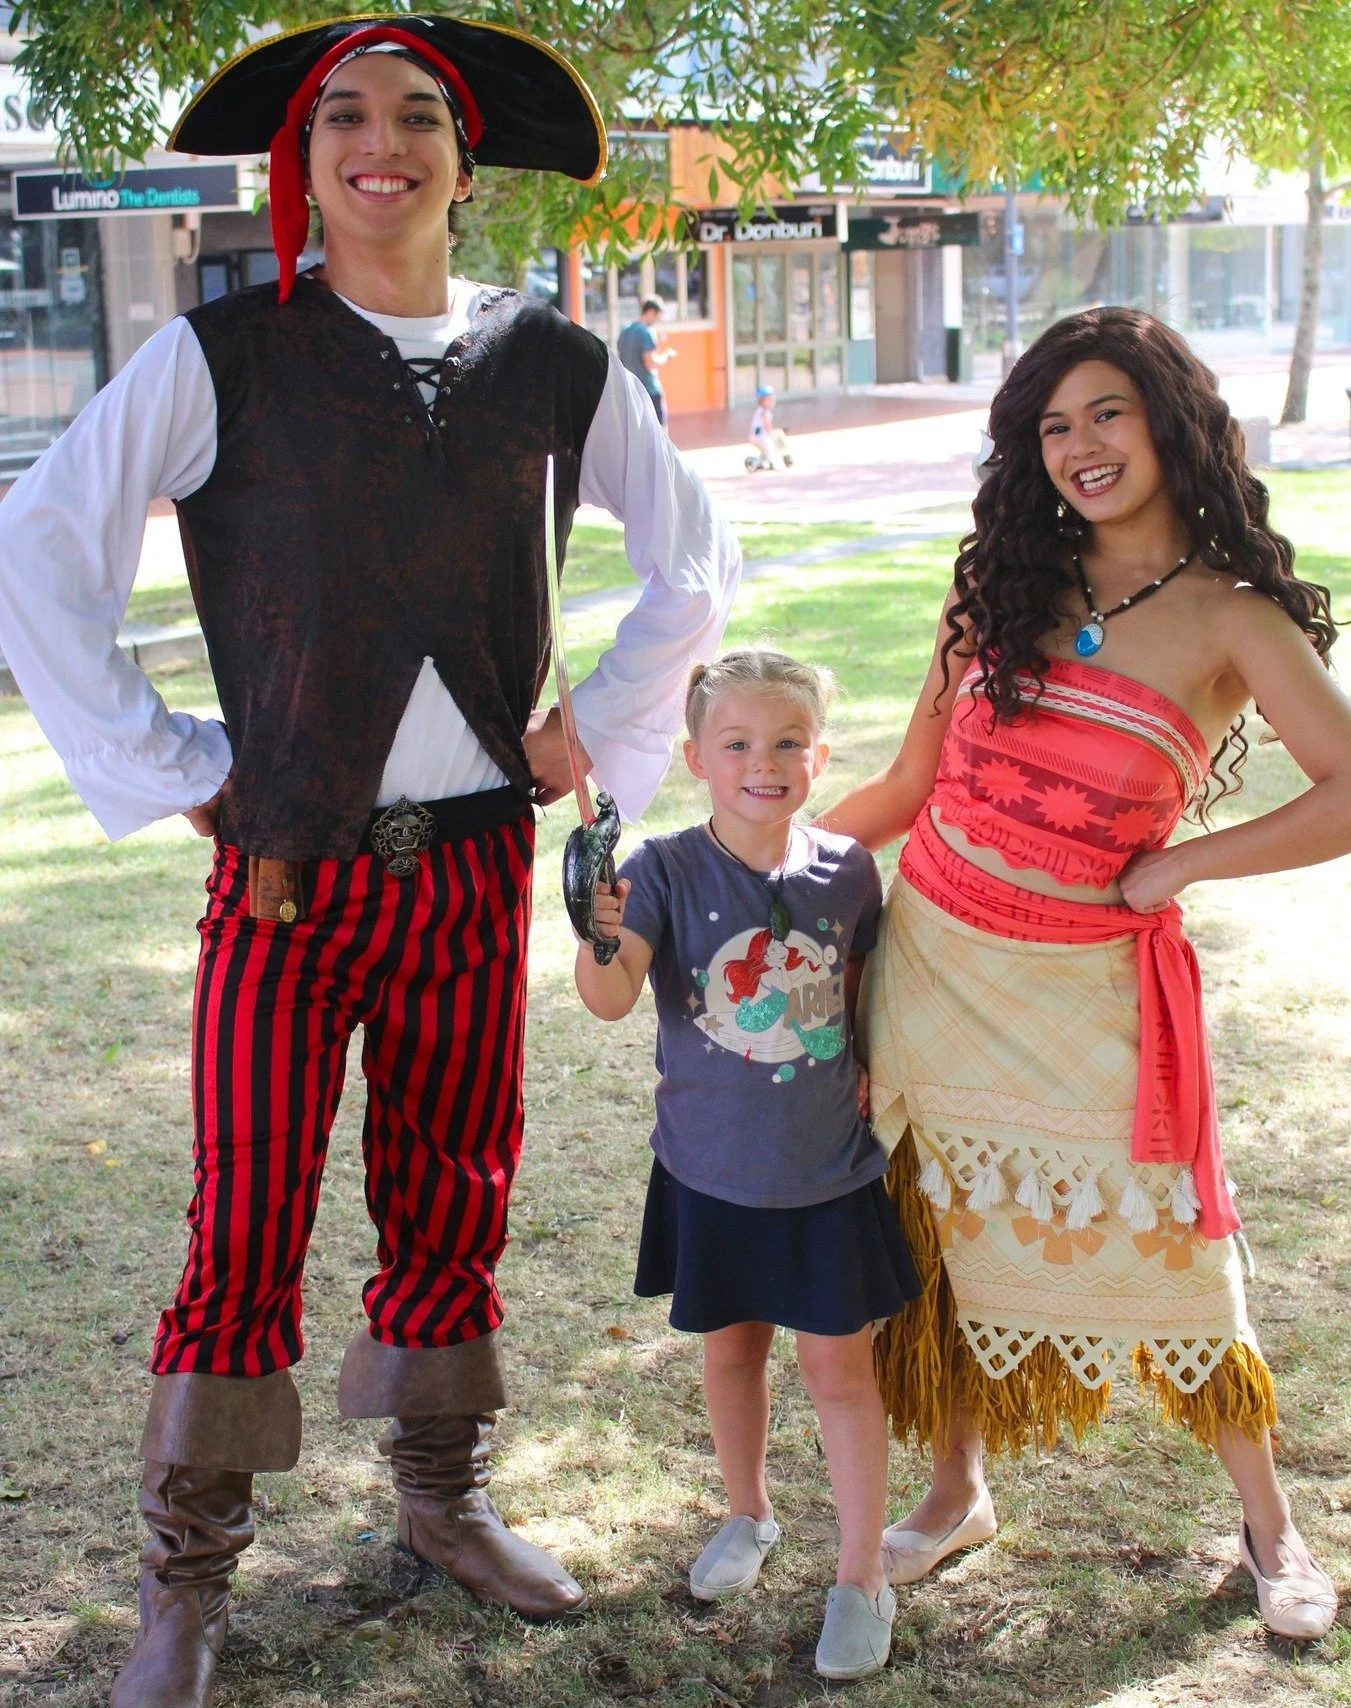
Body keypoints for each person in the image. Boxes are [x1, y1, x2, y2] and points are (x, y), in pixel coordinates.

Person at [0, 17, 740, 1707]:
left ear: (463, 168)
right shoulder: (225, 357)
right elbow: (37, 548)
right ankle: (182, 1577)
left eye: (415, 117)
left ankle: (441, 1498)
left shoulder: (553, 360)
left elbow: (690, 555)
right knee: (244, 1216)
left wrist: (601, 732)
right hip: (288, 881)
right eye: (344, 115)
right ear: (306, 157)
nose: (377, 141)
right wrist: (178, 760)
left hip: (472, 870)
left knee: (451, 1190)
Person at [820, 308, 1351, 1641]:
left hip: (1086, 993)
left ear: (1168, 420)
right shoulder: (998, 585)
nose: (1079, 447)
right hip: (929, 968)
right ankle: (955, 1492)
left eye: (1105, 412)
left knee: (1180, 1254)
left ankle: (1267, 1526)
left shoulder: (1230, 620)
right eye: (1052, 425)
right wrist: (735, 863)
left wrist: (1183, 868)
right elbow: (903, 789)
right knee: (935, 1242)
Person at [573, 648, 920, 1681]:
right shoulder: (664, 871)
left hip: (825, 1178)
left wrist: (865, 1061)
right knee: (730, 1354)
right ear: (694, 757)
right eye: (735, 743)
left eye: (784, 743)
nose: (760, 762)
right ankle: (747, 1512)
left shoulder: (847, 869)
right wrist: (595, 932)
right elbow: (608, 998)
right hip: (709, 1173)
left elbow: (860, 988)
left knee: (838, 1374)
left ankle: (860, 1575)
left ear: (817, 756)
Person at [616, 293, 675, 428]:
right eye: (658, 315)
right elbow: (651, 363)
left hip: (630, 390)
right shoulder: (647, 332)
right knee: (660, 431)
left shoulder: (625, 330)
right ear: (651, 312)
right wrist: (666, 355)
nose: (658, 319)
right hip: (649, 389)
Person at [747, 384, 792, 471]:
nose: (772, 402)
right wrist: (772, 433)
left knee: (764, 453)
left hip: (755, 436)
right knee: (770, 448)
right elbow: (767, 425)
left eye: (773, 400)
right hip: (760, 437)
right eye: (770, 400)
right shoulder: (765, 412)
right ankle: (772, 464)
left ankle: (756, 462)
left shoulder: (760, 410)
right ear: (762, 401)